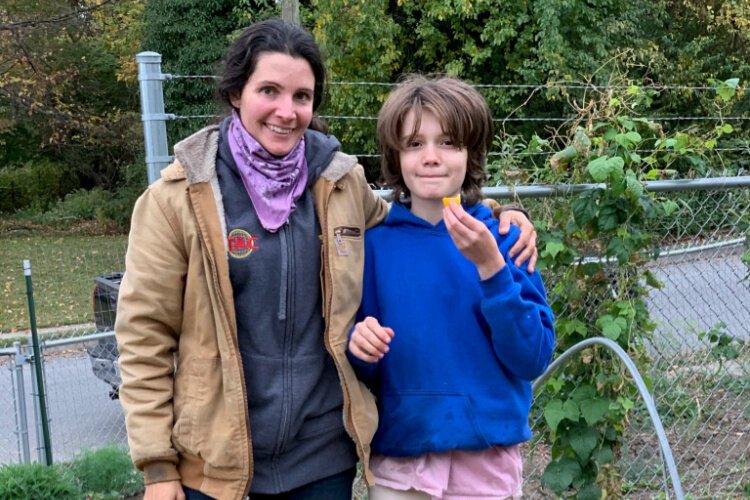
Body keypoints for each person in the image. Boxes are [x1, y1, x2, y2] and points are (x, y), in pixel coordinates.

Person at [115, 19, 538, 500]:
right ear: (236, 93)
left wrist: (505, 218)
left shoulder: (339, 184)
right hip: (216, 461)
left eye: (302, 96)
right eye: (269, 90)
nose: (286, 111)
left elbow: (421, 219)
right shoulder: (178, 199)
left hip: (320, 459)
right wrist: (158, 468)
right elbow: (144, 336)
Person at [347, 75, 556, 500]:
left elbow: (532, 357)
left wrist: (491, 267)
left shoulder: (504, 238)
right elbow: (363, 366)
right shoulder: (375, 246)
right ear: (395, 156)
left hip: (486, 461)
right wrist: (359, 345)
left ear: (471, 153)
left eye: (448, 142)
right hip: (401, 462)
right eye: (414, 144)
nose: (430, 158)